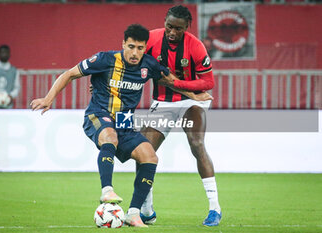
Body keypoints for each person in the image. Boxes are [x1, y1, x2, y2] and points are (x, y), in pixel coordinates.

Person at [31, 24, 209, 227]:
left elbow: (171, 81)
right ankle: (107, 191)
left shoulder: (148, 65)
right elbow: (69, 74)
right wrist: (48, 98)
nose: (135, 53)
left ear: (145, 48)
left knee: (149, 156)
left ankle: (133, 213)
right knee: (110, 136)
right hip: (98, 115)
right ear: (123, 43)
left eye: (140, 48)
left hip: (124, 122)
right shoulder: (104, 59)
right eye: (131, 46)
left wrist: (194, 95)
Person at [138, 5, 222, 227]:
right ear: (164, 21)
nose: (172, 32)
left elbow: (208, 83)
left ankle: (215, 208)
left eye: (178, 29)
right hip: (163, 103)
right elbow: (129, 62)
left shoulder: (195, 46)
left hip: (192, 101)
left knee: (197, 144)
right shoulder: (151, 39)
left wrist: (176, 83)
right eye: (169, 26)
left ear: (187, 27)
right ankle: (147, 210)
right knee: (144, 151)